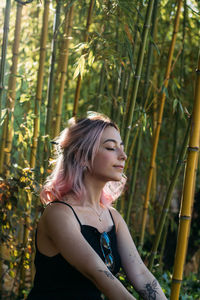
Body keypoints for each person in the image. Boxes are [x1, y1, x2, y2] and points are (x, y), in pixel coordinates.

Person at [27, 112, 167, 300]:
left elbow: (141, 275)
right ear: (82, 156)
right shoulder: (59, 214)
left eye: (122, 148)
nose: (123, 156)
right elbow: (103, 278)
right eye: (111, 148)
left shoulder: (113, 217)